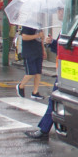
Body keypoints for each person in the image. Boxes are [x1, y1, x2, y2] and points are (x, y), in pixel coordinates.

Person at [26, 8, 64, 139]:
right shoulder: (65, 27)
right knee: (54, 100)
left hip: (66, 71)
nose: (58, 13)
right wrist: (52, 43)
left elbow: (66, 48)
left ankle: (44, 130)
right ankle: (44, 129)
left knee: (54, 100)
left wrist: (53, 43)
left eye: (60, 10)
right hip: (63, 70)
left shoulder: (70, 27)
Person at [16, 25, 44, 100]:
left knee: (38, 73)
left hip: (38, 51)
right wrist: (37, 35)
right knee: (31, 73)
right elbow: (24, 37)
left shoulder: (39, 25)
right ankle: (21, 86)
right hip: (29, 52)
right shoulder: (28, 25)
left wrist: (43, 50)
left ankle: (35, 92)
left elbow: (41, 39)